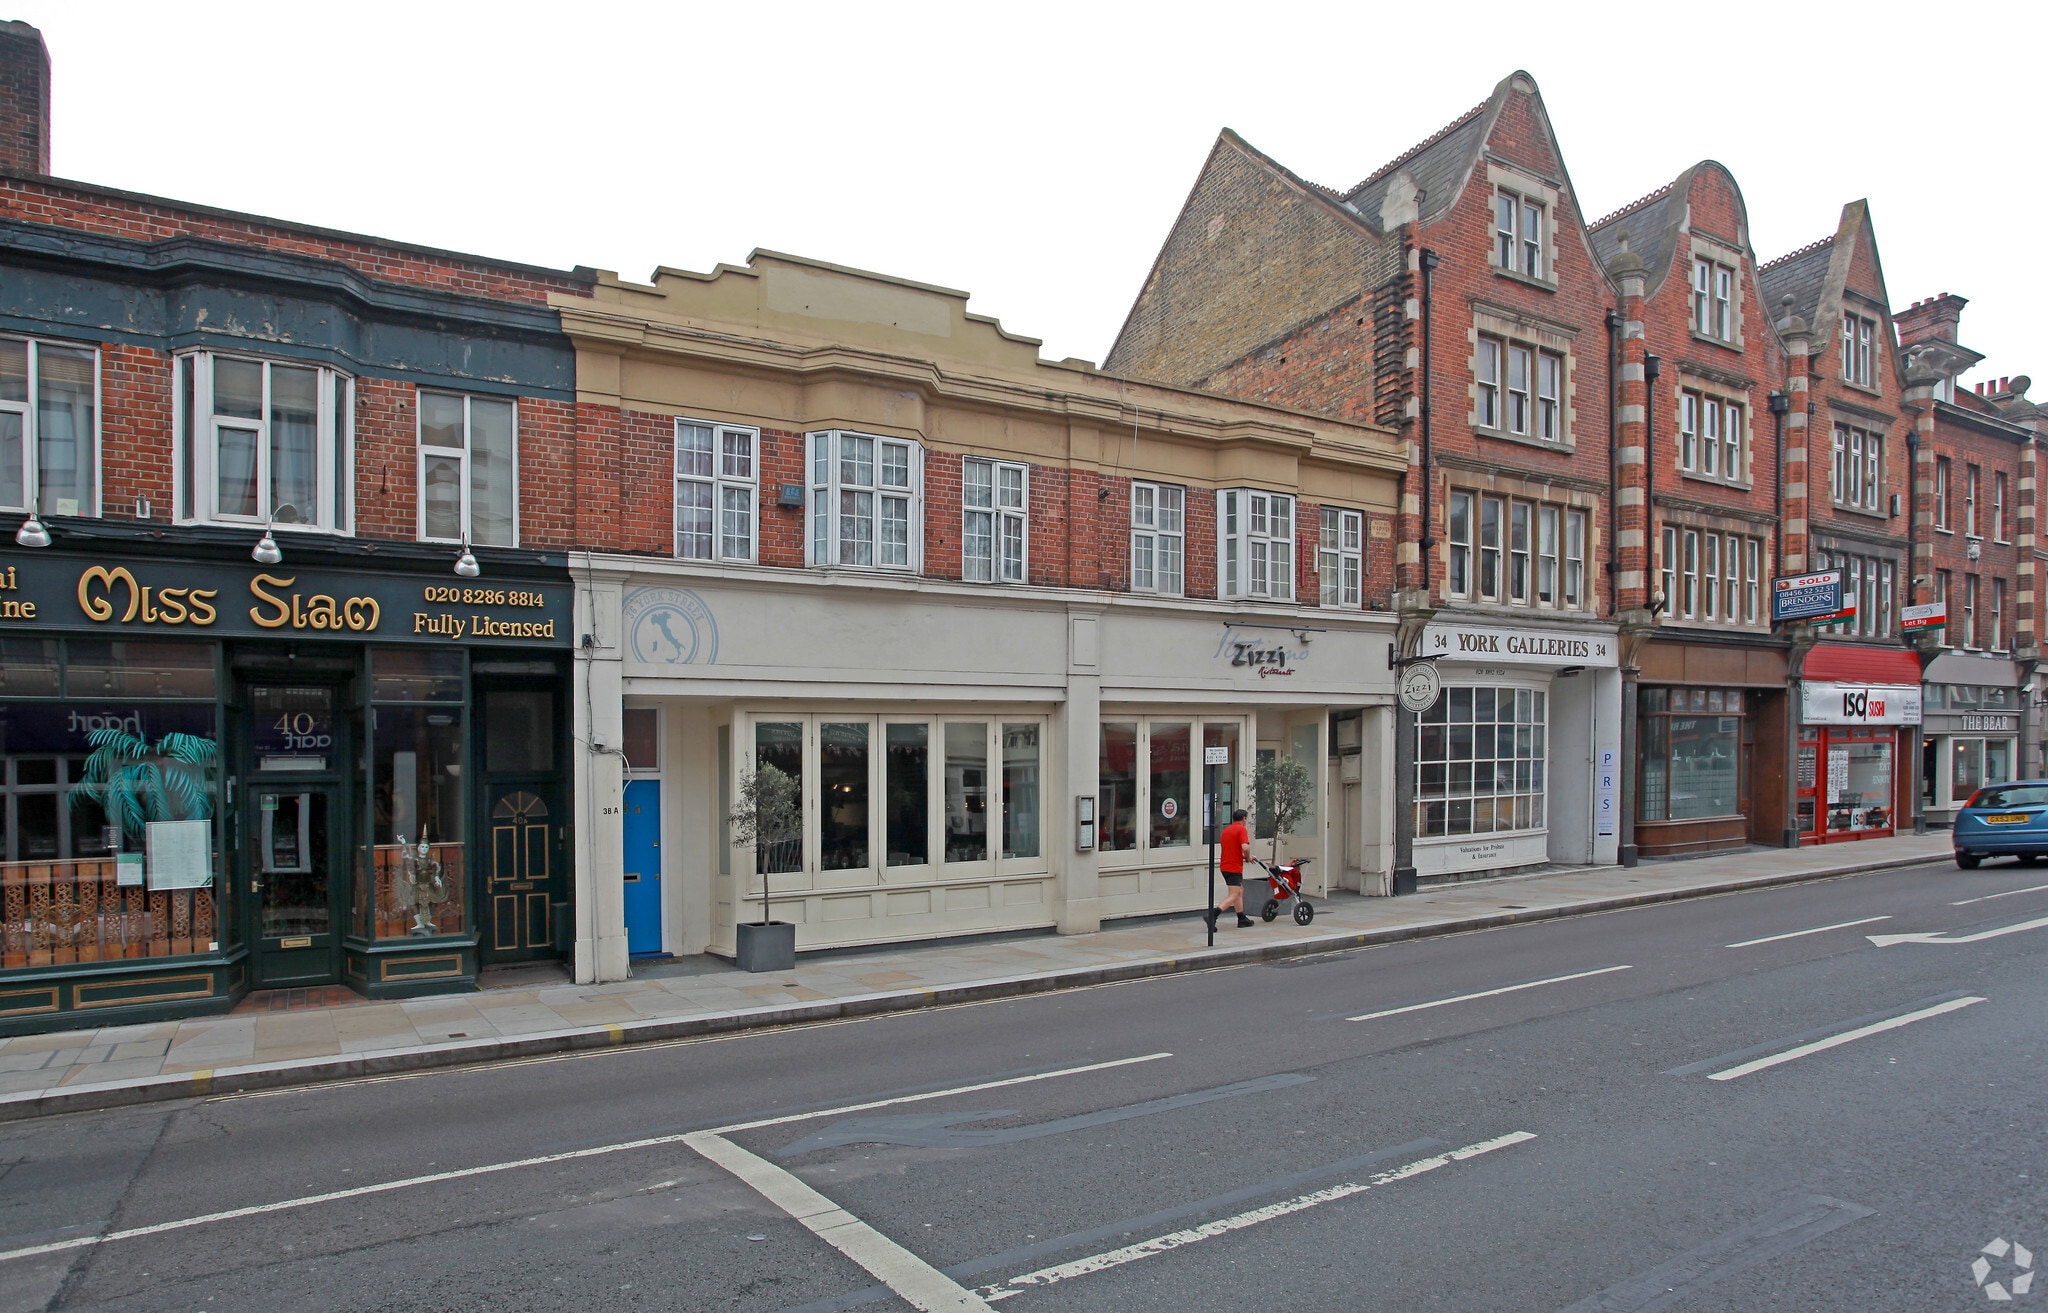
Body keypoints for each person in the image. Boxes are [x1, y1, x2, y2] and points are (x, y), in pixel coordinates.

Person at [1208, 808, 1256, 931]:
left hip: (1225, 866)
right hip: (1234, 867)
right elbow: (1245, 847)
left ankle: (1241, 918)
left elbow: (1232, 850)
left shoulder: (1226, 830)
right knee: (1234, 894)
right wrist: (1247, 856)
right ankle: (1213, 915)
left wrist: (1245, 857)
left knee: (1240, 891)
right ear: (1244, 819)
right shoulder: (1241, 829)